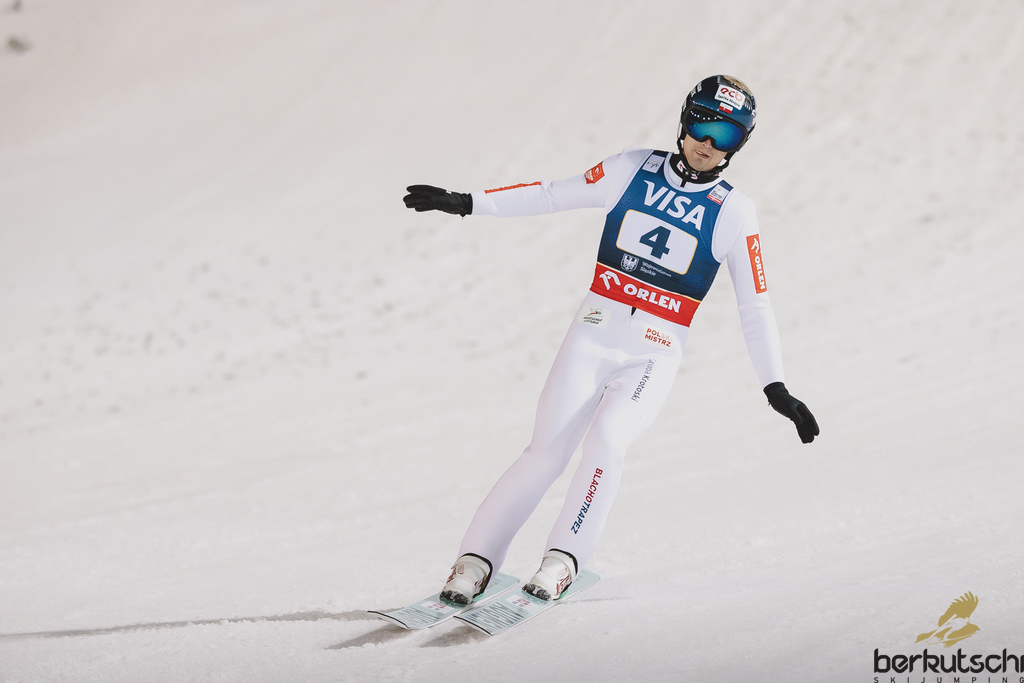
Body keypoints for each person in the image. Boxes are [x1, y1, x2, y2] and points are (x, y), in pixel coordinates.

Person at [403, 75, 818, 604]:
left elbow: (755, 303)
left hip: (653, 353)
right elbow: (552, 194)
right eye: (701, 125)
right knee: (544, 450)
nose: (708, 143)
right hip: (593, 333)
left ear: (740, 145)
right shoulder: (630, 168)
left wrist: (775, 386)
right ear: (684, 120)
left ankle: (562, 560)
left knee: (607, 441)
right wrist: (466, 202)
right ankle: (474, 562)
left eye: (726, 135)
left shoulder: (735, 211)